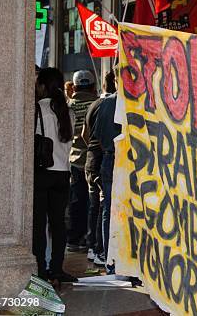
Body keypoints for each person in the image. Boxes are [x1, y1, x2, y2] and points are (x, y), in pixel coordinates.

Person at [33, 68, 76, 282]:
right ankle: (57, 268)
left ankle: (40, 269)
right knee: (58, 223)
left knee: (39, 224)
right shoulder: (68, 112)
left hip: (42, 173)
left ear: (42, 85)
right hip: (63, 173)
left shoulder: (37, 109)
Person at [82, 70, 116, 266]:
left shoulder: (96, 105)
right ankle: (99, 248)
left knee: (96, 203)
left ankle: (94, 247)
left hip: (92, 158)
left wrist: (94, 147)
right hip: (101, 158)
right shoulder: (108, 105)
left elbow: (85, 133)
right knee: (102, 204)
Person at [66, 70, 98, 252]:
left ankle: (74, 239)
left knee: (76, 201)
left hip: (74, 160)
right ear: (93, 86)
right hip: (93, 159)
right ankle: (92, 239)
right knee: (95, 202)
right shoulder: (96, 104)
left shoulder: (68, 106)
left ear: (75, 86)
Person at [93, 69, 121, 269]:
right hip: (117, 159)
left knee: (109, 209)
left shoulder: (106, 104)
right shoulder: (114, 103)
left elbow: (96, 135)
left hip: (110, 158)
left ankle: (110, 258)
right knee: (112, 209)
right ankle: (113, 259)